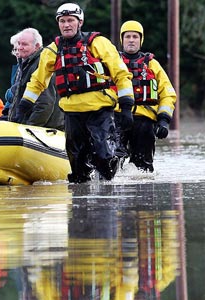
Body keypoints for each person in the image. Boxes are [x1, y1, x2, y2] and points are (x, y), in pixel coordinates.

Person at [17, 3, 135, 183]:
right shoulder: (52, 51)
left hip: (100, 110)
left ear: (80, 22)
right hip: (72, 113)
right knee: (77, 165)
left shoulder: (98, 43)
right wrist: (23, 107)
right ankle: (82, 201)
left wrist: (126, 106)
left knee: (104, 157)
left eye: (70, 20)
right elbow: (37, 81)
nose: (66, 25)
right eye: (62, 21)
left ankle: (110, 182)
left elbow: (121, 74)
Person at [115, 20, 176, 172]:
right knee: (112, 162)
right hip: (117, 118)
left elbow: (168, 95)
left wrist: (163, 121)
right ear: (121, 39)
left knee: (143, 168)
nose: (131, 40)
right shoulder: (112, 62)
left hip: (145, 121)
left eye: (135, 36)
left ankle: (143, 194)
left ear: (140, 40)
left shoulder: (152, 65)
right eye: (127, 36)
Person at [8, 28, 64, 130]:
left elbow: (44, 104)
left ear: (37, 46)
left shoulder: (41, 64)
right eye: (19, 44)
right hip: (33, 127)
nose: (19, 48)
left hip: (46, 130)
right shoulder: (25, 65)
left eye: (24, 44)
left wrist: (30, 128)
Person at [3, 32, 20, 115]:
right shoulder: (17, 68)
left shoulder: (29, 68)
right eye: (15, 49)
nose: (16, 52)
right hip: (11, 112)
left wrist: (8, 93)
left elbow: (11, 95)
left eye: (19, 49)